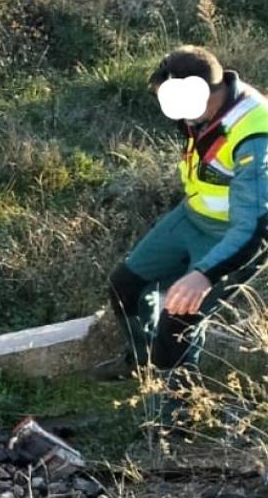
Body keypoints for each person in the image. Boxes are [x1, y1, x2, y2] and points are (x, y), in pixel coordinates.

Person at [107, 46, 268, 380]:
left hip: (234, 235)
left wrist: (204, 275)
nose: (177, 116)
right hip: (192, 217)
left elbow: (252, 226)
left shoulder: (254, 133)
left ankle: (177, 421)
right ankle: (142, 362)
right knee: (124, 286)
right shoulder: (201, 110)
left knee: (177, 324)